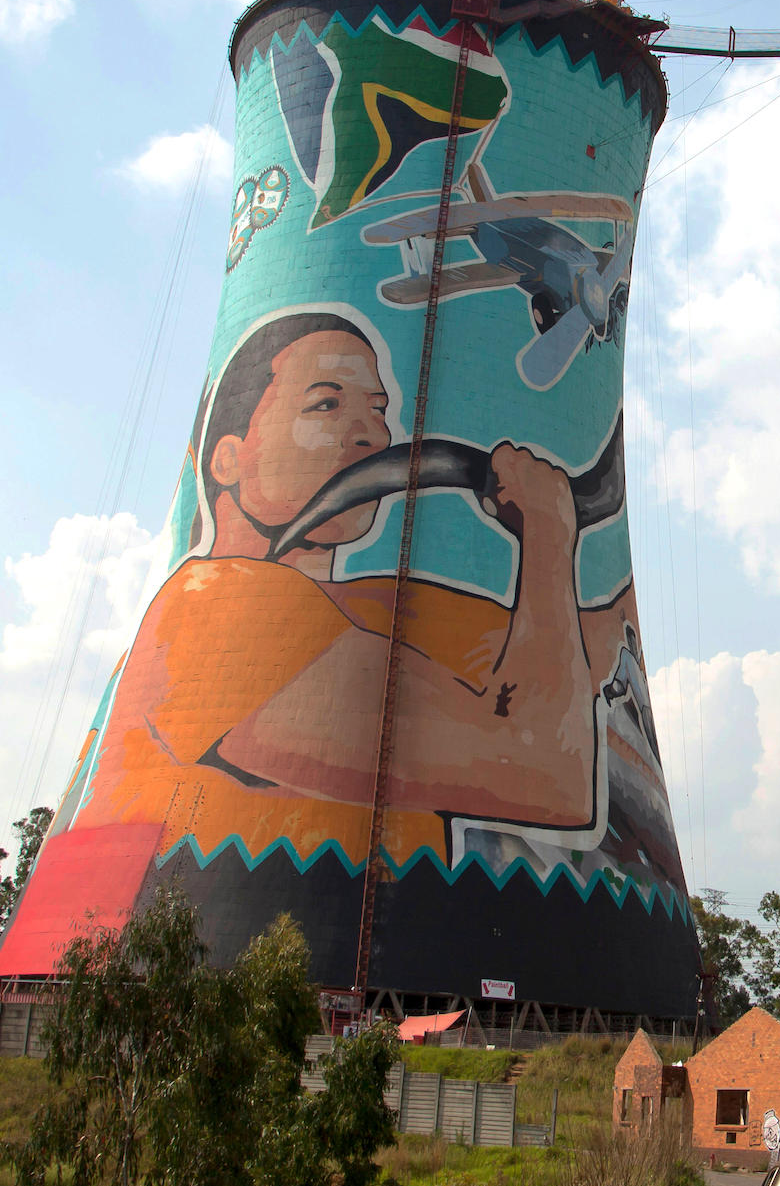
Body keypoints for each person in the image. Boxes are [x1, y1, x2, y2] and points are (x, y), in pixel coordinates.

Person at [65, 309, 636, 865]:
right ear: (227, 460)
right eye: (326, 404)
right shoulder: (213, 608)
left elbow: (584, 649)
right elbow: (541, 775)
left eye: (378, 409)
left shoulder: (369, 609)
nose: (370, 434)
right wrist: (546, 537)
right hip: (236, 959)